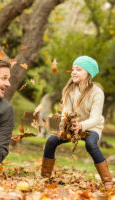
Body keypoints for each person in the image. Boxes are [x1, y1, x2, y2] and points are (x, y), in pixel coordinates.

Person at [41, 56, 113, 190]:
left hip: (91, 127)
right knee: (51, 140)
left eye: (78, 69)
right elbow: (66, 112)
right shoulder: (70, 90)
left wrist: (82, 126)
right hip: (73, 126)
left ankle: (108, 181)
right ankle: (45, 176)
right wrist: (66, 124)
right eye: (73, 69)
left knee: (91, 144)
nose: (74, 72)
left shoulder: (97, 93)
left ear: (88, 74)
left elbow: (96, 118)